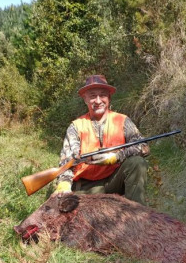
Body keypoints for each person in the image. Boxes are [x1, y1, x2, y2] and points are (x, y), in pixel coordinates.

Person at [54, 75, 150, 205]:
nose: (98, 101)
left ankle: (137, 215)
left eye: (103, 95)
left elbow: (144, 147)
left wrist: (117, 156)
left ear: (109, 97)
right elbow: (66, 163)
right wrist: (64, 185)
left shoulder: (123, 121)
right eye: (93, 96)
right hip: (84, 187)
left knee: (137, 163)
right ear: (85, 99)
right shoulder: (76, 126)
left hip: (113, 181)